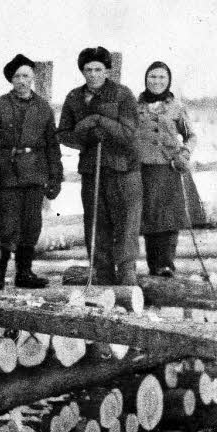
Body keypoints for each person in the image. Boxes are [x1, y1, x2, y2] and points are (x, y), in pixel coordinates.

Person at [57, 46, 142, 285]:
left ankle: (127, 275)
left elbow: (129, 133)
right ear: (82, 71)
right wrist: (86, 137)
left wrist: (99, 121)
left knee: (126, 222)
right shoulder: (74, 97)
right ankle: (103, 274)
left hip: (123, 169)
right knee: (96, 223)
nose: (93, 74)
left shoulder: (122, 94)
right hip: (92, 169)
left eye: (98, 69)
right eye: (88, 70)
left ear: (107, 71)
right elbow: (63, 133)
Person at [0, 54, 63, 290]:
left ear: (33, 78)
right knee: (5, 225)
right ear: (11, 79)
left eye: (26, 76)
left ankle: (24, 273)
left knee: (31, 225)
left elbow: (52, 144)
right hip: (7, 172)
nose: (22, 81)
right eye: (17, 76)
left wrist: (55, 176)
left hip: (35, 172)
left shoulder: (43, 107)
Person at [136, 61, 197, 277]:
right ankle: (154, 266)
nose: (157, 81)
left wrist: (184, 154)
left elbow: (191, 136)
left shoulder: (176, 107)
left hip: (169, 169)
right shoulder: (135, 106)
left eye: (162, 77)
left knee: (169, 218)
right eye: (152, 76)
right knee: (150, 217)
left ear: (168, 80)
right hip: (144, 169)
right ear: (146, 79)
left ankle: (166, 265)